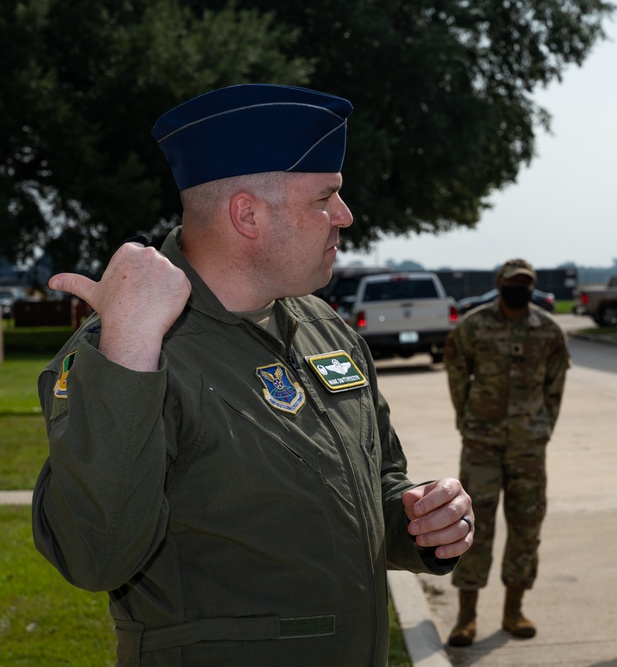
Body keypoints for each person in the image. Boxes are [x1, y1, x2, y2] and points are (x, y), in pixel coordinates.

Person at [31, 84, 474, 666]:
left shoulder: (324, 327)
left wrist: (420, 518)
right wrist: (128, 351)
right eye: (325, 198)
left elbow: (376, 481)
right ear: (247, 214)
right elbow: (94, 555)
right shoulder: (126, 348)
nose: (345, 216)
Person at [442, 258, 571, 647]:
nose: (520, 288)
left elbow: (555, 384)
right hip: (482, 444)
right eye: (514, 282)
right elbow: (456, 371)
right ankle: (466, 615)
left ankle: (514, 608)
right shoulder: (474, 326)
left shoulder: (548, 331)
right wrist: (468, 417)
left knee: (526, 527)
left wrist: (542, 427)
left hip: (528, 448)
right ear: (500, 284)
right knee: (472, 528)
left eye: (526, 283)